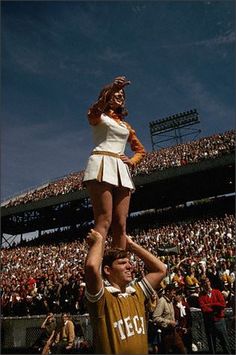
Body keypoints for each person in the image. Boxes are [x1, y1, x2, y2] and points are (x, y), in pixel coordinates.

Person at [83, 76, 146, 249]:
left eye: (122, 95)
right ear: (107, 96)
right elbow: (95, 111)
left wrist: (132, 161)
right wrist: (111, 88)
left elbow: (140, 150)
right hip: (101, 163)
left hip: (121, 170)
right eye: (116, 93)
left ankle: (118, 266)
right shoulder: (98, 116)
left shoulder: (126, 126)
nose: (120, 96)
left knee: (120, 223)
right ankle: (94, 267)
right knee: (104, 219)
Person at [85, 229, 166, 354]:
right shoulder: (102, 298)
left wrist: (132, 246)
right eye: (122, 263)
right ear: (107, 270)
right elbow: (91, 267)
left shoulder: (137, 292)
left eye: (129, 262)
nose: (130, 267)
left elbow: (161, 269)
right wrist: (98, 242)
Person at [198, 277, 231, 354]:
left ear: (210, 282)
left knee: (225, 343)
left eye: (208, 281)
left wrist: (210, 305)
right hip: (209, 323)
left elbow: (223, 304)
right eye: (205, 283)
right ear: (202, 285)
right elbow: (204, 309)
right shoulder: (201, 295)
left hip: (219, 321)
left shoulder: (217, 292)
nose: (207, 284)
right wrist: (216, 307)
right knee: (212, 345)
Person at [153, 284, 187, 354]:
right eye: (173, 293)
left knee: (182, 350)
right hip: (166, 333)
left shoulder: (171, 301)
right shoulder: (162, 301)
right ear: (168, 292)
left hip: (173, 332)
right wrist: (169, 322)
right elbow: (155, 317)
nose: (174, 295)